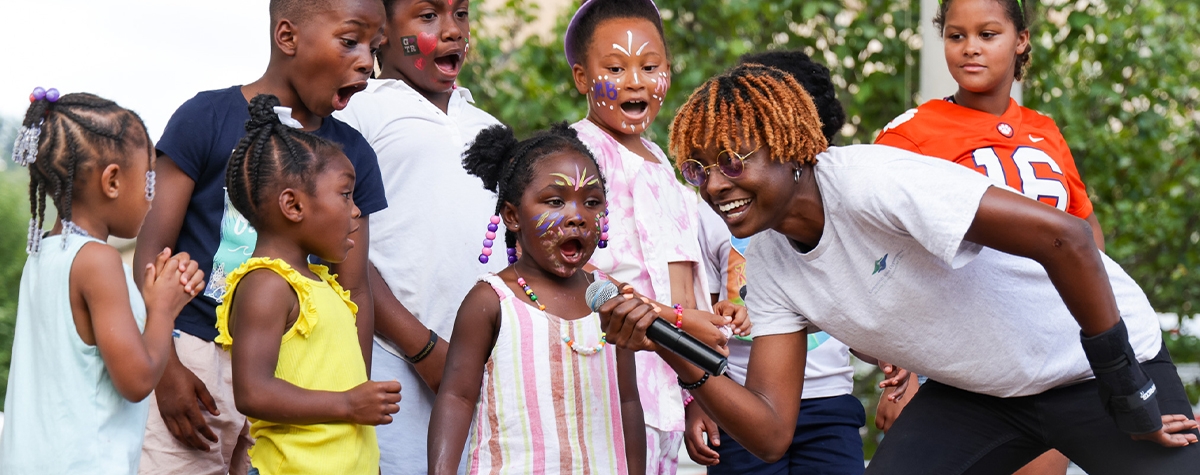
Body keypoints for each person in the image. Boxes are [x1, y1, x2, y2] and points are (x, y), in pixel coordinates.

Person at [601, 63, 1200, 475]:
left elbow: (1068, 238)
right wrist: (675, 353)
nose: (715, 185)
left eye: (732, 161)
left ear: (787, 144)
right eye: (698, 169)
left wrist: (1128, 391)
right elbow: (773, 430)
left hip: (1092, 369)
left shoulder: (872, 181)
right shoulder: (772, 259)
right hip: (980, 394)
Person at [133, 1, 389, 473]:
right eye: (351, 41)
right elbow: (152, 253)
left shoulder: (353, 155)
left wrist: (353, 400)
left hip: (295, 373)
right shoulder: (204, 117)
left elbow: (354, 290)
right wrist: (166, 372)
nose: (366, 64)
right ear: (287, 37)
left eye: (375, 49)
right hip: (195, 357)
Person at [874, 2, 1100, 471]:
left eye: (988, 34)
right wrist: (902, 373)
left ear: (1020, 40)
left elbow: (1087, 239)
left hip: (1052, 366)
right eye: (957, 37)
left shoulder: (1044, 130)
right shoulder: (909, 135)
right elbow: (882, 262)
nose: (970, 49)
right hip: (961, 376)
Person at [332, 0, 505, 472]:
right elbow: (339, 245)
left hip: (488, 369)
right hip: (393, 362)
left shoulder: (490, 129)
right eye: (429, 16)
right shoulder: (358, 110)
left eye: (461, 14)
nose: (452, 31)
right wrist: (423, 348)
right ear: (383, 32)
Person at [0, 90, 204, 473]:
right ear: (112, 181)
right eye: (148, 181)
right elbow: (137, 379)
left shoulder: (44, 253)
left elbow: (82, 358)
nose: (151, 196)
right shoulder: (99, 260)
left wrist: (145, 300)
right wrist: (163, 309)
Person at [564, 1, 728, 471]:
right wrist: (681, 321)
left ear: (668, 73)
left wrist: (697, 395)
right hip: (611, 386)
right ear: (581, 78)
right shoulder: (576, 158)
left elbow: (684, 272)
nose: (635, 80)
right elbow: (575, 273)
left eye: (649, 66)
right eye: (615, 67)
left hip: (672, 383)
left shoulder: (665, 162)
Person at [427, 123, 646, 474]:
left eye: (592, 202)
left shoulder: (610, 298)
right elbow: (456, 397)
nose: (577, 216)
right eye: (555, 201)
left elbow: (629, 400)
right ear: (512, 216)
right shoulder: (492, 300)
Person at [687, 51, 867, 475]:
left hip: (828, 398)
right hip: (744, 400)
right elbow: (702, 315)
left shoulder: (851, 197)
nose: (716, 181)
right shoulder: (718, 213)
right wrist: (699, 396)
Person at [213, 95, 401, 475]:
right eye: (345, 194)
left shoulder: (321, 284)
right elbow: (253, 392)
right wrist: (348, 404)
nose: (356, 210)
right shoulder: (267, 284)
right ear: (293, 206)